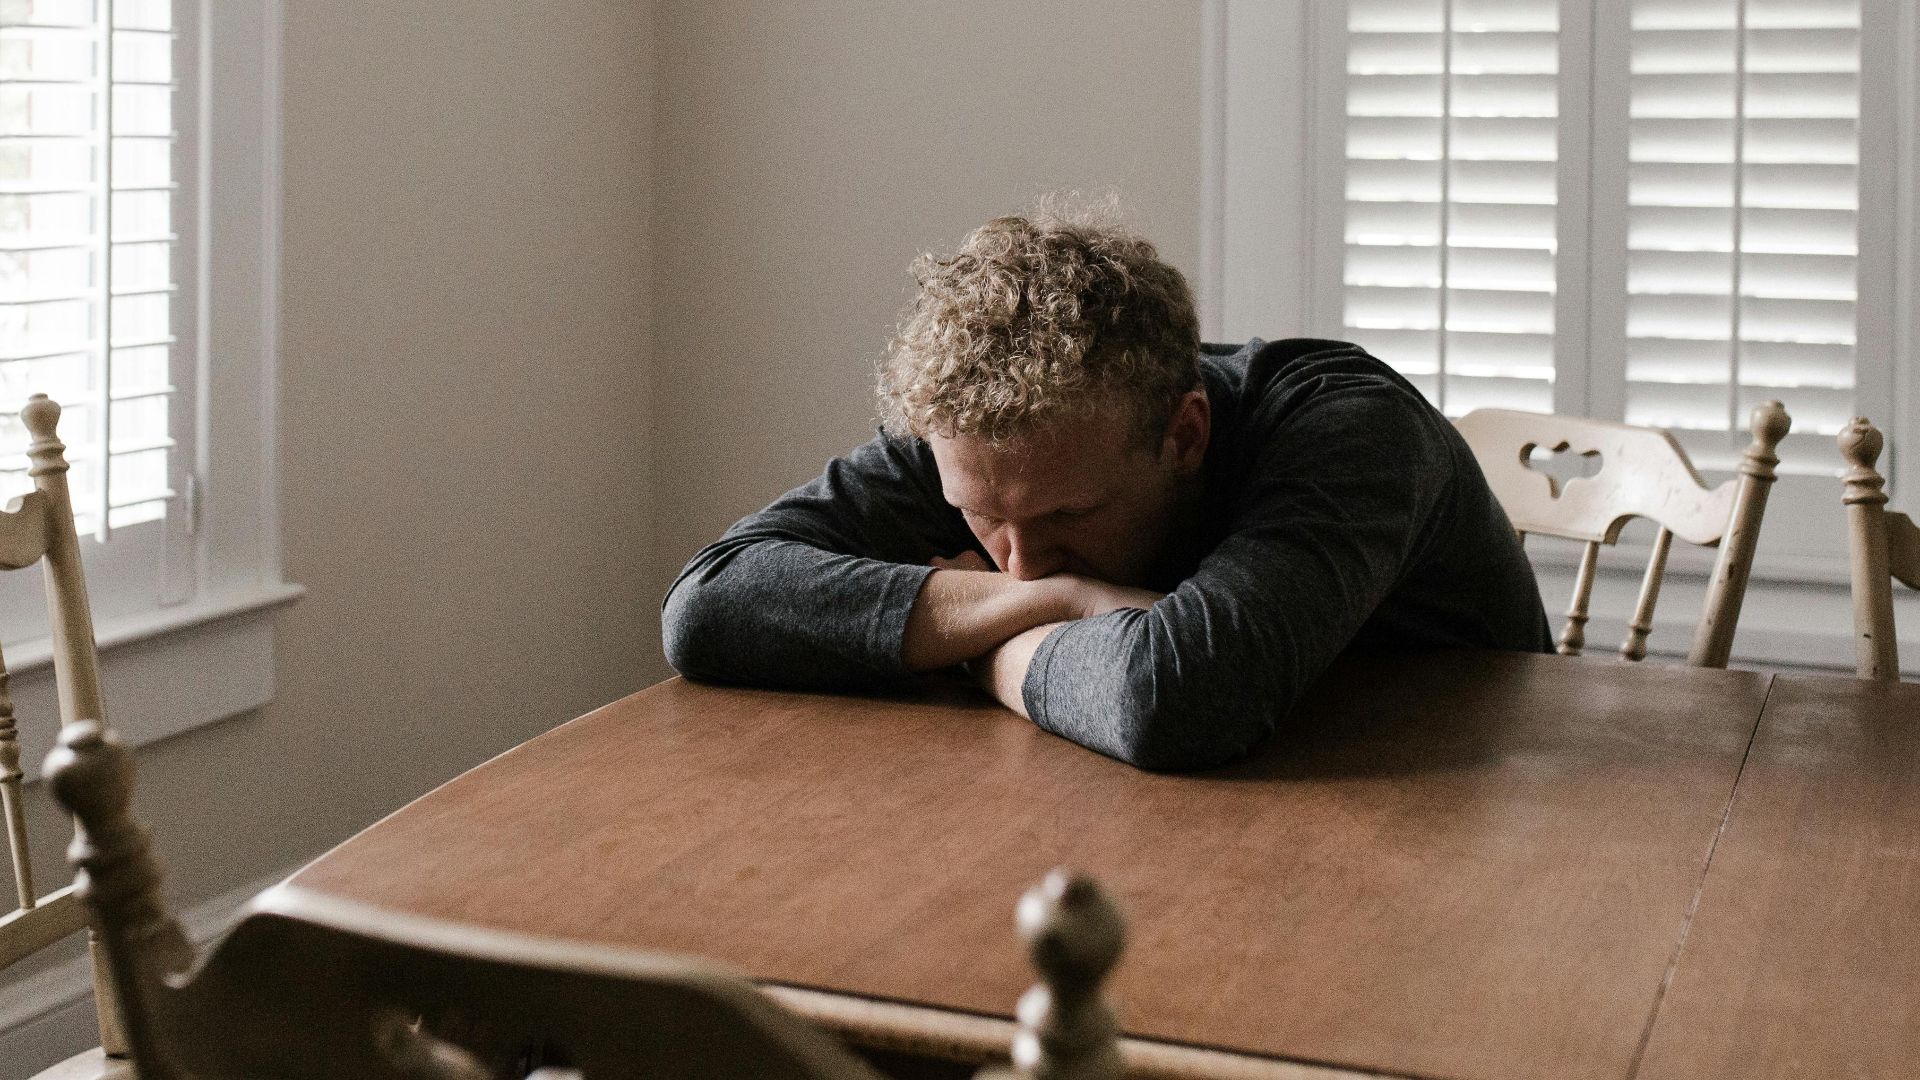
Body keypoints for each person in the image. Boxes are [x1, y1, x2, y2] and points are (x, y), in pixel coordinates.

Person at [662, 208, 1550, 770]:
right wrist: (1065, 602)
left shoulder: (1350, 428)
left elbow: (1178, 698)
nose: (1021, 562)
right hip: (1181, 806)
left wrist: (978, 646)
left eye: (1068, 520)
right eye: (982, 518)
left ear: (1185, 434)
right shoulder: (989, 440)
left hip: (1491, 811)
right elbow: (708, 605)